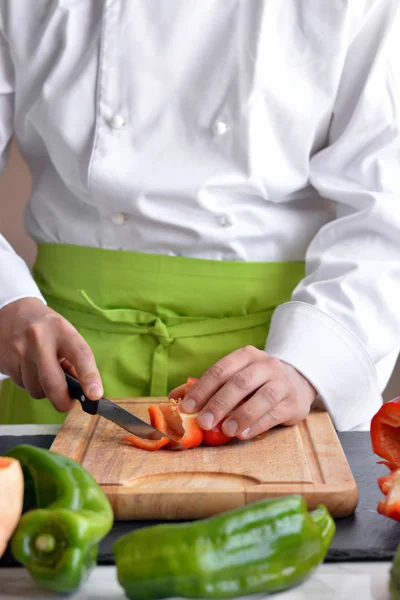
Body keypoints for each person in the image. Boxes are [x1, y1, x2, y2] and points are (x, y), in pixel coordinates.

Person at [0, 1, 399, 439]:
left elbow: (386, 204)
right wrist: (8, 303)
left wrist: (311, 363)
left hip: (275, 373)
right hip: (58, 364)